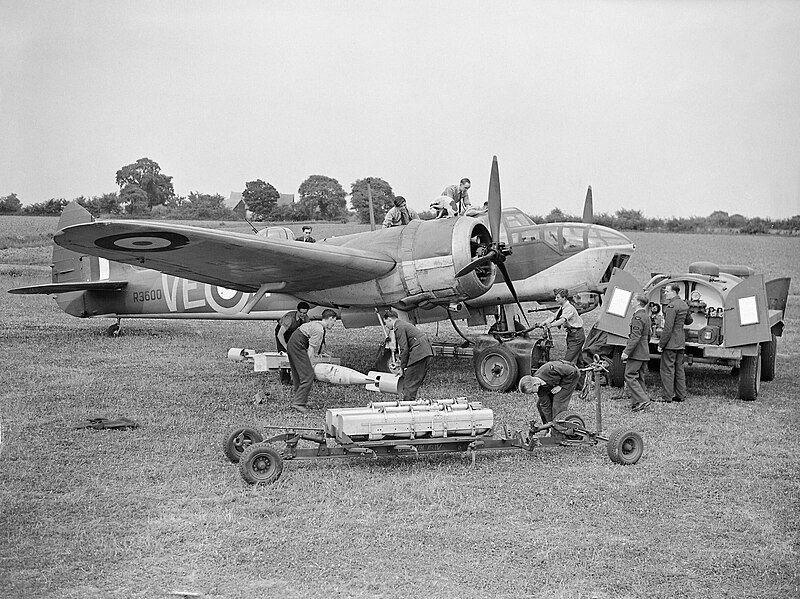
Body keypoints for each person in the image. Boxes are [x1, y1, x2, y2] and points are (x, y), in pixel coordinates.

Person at [286, 309, 338, 413]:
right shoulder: (319, 330)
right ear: (330, 318)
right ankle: (299, 403)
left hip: (292, 343)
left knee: (297, 374)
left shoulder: (316, 325)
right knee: (308, 375)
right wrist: (310, 364)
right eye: (334, 321)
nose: (334, 324)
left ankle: (299, 398)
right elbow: (311, 349)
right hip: (297, 345)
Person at [383, 309, 433, 401]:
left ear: (390, 319)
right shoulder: (403, 324)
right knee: (412, 382)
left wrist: (402, 368)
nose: (386, 326)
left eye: (385, 322)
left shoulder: (399, 327)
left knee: (409, 384)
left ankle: (407, 408)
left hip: (419, 354)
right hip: (425, 352)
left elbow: (404, 349)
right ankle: (410, 404)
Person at [658, 283, 693, 402]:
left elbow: (668, 328)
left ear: (673, 292)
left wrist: (661, 344)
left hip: (670, 343)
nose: (665, 293)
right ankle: (681, 395)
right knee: (679, 369)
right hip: (680, 342)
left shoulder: (671, 306)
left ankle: (667, 397)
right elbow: (689, 321)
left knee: (667, 370)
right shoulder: (683, 305)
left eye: (667, 291)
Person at [518, 360, 581, 425]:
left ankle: (559, 430)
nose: (532, 393)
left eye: (531, 392)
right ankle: (548, 427)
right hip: (558, 381)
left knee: (558, 402)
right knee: (540, 405)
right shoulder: (539, 388)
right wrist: (549, 422)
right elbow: (545, 404)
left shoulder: (549, 370)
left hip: (571, 376)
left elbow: (572, 371)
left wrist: (561, 386)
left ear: (534, 384)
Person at [622, 293, 652, 412]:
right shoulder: (646, 316)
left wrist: (627, 352)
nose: (631, 302)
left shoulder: (638, 317)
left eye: (633, 300)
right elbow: (648, 335)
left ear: (639, 302)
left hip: (636, 352)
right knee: (639, 378)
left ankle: (643, 400)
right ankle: (637, 403)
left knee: (629, 376)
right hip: (644, 351)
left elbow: (635, 337)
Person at [545, 289, 586, 365]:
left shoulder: (568, 308)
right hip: (573, 335)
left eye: (558, 297)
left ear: (564, 298)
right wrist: (543, 323)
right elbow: (554, 317)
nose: (555, 299)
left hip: (576, 336)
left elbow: (562, 320)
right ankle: (582, 374)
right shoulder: (563, 307)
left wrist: (551, 325)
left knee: (567, 362)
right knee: (579, 361)